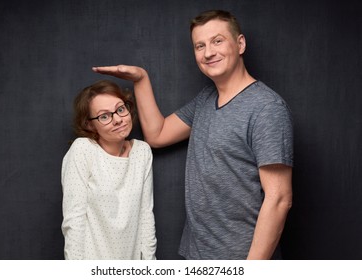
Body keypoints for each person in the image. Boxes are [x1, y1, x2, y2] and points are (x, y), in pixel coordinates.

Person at [92, 9, 293, 260]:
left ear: (240, 44)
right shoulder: (206, 100)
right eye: (200, 45)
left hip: (240, 258)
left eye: (217, 41)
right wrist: (141, 79)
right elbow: (158, 134)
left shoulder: (266, 108)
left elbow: (279, 199)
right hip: (197, 255)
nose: (208, 52)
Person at [61, 80, 157, 260]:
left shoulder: (142, 152)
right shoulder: (83, 150)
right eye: (104, 116)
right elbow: (73, 221)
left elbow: (146, 216)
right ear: (90, 124)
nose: (118, 119)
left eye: (120, 109)